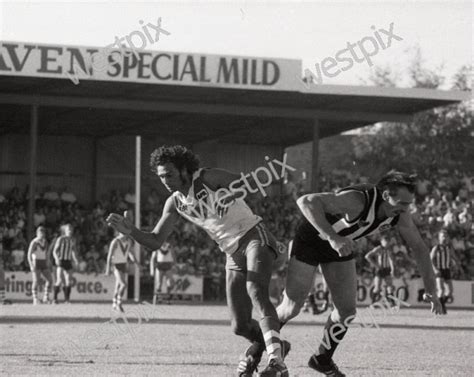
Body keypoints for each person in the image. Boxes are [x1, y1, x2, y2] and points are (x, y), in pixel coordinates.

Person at [107, 145, 290, 376]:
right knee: (240, 325)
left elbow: (255, 182)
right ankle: (278, 347)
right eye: (161, 176)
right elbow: (155, 241)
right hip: (231, 252)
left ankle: (276, 362)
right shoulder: (174, 203)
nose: (165, 180)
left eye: (169, 174)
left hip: (254, 235)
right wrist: (131, 231)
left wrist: (232, 193)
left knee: (256, 290)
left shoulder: (207, 176)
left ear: (185, 169)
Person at [275, 171, 443, 376]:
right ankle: (259, 348)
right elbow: (306, 201)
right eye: (401, 203)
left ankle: (322, 359)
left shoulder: (400, 214)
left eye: (409, 203)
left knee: (346, 311)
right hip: (311, 240)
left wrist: (432, 289)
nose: (406, 209)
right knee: (291, 308)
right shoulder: (357, 200)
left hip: (339, 245)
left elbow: (420, 248)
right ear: (385, 195)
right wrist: (332, 237)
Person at [105, 211, 138, 312]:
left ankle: (114, 302)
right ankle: (119, 302)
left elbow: (131, 254)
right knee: (124, 284)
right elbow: (109, 255)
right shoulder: (115, 241)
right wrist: (108, 269)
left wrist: (137, 263)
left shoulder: (128, 242)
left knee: (118, 285)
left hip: (124, 265)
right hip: (116, 265)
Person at [430, 229, 458, 314]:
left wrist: (455, 265)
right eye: (443, 236)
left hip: (447, 269)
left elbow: (453, 257)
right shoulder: (436, 248)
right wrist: (435, 269)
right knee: (441, 290)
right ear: (439, 238)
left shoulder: (449, 248)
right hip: (439, 270)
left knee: (450, 291)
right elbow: (430, 259)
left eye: (446, 236)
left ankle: (440, 305)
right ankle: (440, 309)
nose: (445, 238)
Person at [365, 235, 396, 306]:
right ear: (382, 242)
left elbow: (391, 259)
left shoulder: (389, 249)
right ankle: (372, 303)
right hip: (379, 270)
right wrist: (376, 265)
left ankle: (392, 303)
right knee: (377, 288)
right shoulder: (378, 249)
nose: (387, 243)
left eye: (388, 241)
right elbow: (367, 256)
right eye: (385, 241)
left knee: (390, 286)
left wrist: (392, 269)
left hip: (387, 269)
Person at [52, 224, 78, 304]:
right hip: (61, 261)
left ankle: (67, 300)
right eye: (68, 229)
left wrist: (76, 260)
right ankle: (54, 299)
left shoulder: (72, 240)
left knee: (68, 281)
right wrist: (56, 259)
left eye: (71, 229)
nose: (70, 231)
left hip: (68, 261)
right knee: (59, 280)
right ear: (65, 231)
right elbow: (54, 251)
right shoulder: (60, 239)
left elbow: (73, 251)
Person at [27, 226, 53, 304]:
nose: (42, 234)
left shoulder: (45, 242)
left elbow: (47, 253)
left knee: (50, 279)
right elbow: (29, 254)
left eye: (43, 233)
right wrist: (31, 264)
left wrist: (48, 262)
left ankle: (46, 297)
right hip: (36, 262)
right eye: (40, 233)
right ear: (37, 233)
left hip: (43, 262)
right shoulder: (34, 242)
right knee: (36, 281)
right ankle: (35, 299)